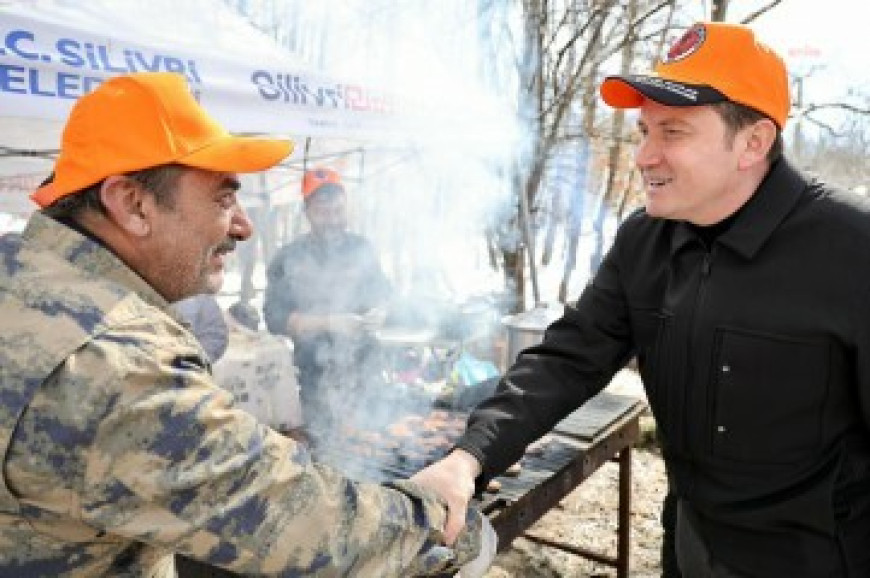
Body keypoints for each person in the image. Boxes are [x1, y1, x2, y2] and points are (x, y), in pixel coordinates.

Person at [413, 21, 870, 577]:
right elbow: (569, 357)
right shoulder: (645, 239)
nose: (644, 156)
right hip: (689, 544)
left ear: (753, 142)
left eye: (672, 132)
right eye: (642, 132)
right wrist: (469, 458)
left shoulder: (852, 249)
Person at [0, 71, 494, 576]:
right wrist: (440, 517)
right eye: (223, 197)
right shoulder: (115, 361)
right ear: (133, 204)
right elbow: (312, 528)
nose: (244, 225)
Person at [263, 168, 391, 435]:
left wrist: (381, 312)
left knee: (373, 441)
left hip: (365, 370)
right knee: (326, 445)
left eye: (338, 211)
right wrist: (331, 323)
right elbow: (275, 319)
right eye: (323, 212)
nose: (332, 220)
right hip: (315, 376)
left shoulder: (362, 248)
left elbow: (383, 293)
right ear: (307, 212)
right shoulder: (289, 257)